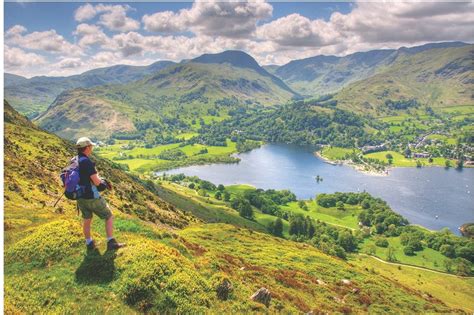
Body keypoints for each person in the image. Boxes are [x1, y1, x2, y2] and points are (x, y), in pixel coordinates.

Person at [75, 137, 125, 251]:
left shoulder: (74, 160)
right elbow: (96, 182)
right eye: (91, 146)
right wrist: (103, 183)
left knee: (87, 219)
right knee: (109, 216)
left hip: (79, 197)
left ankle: (89, 243)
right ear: (87, 147)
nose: (91, 148)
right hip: (91, 196)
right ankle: (111, 242)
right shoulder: (86, 161)